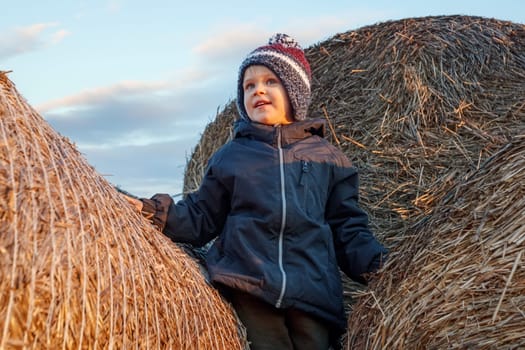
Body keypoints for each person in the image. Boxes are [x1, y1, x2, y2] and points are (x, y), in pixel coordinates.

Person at [125, 33, 387, 350]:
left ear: (294, 93)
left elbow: (347, 226)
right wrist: (155, 212)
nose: (257, 90)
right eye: (249, 86)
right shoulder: (231, 156)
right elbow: (201, 215)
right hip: (249, 285)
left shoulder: (328, 158)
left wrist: (381, 268)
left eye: (269, 82)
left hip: (313, 293)